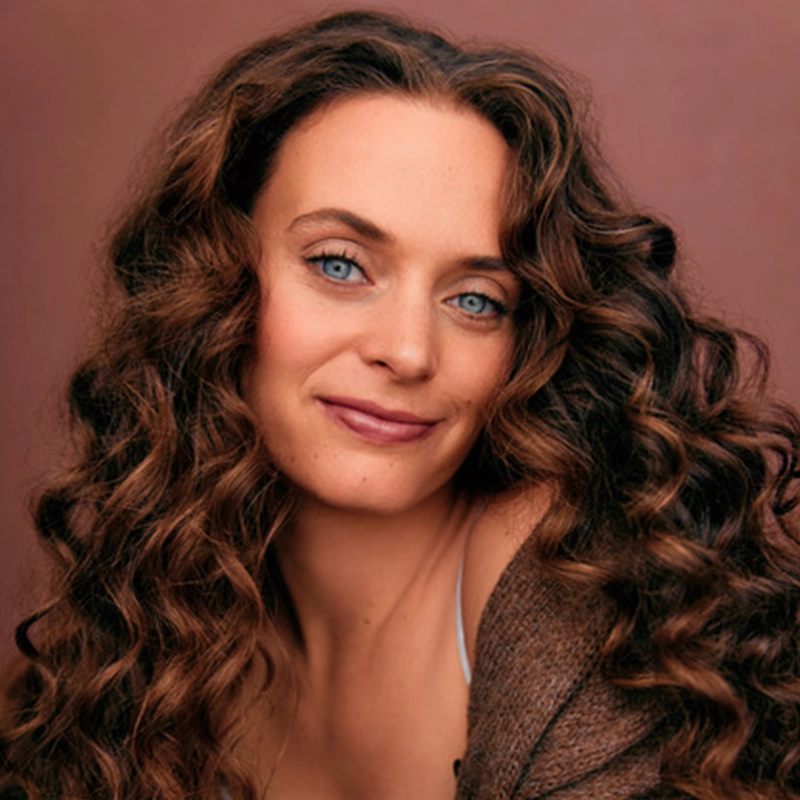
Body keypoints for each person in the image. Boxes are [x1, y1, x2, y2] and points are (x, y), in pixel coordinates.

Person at [2, 9, 799, 800]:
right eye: (340, 265)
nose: (410, 351)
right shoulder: (148, 628)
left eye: (476, 300)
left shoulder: (562, 584)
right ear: (211, 279)